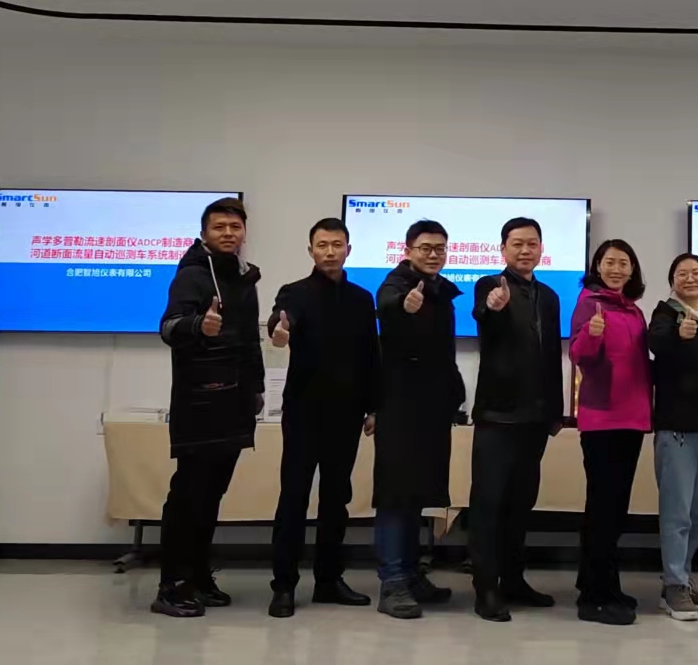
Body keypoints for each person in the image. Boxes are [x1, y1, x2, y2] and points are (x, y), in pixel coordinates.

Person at [152, 197, 264, 618]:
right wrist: (199, 324)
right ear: (204, 233)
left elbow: (250, 341)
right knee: (188, 496)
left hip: (235, 402)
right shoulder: (192, 275)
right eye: (220, 227)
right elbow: (168, 327)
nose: (229, 233)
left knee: (212, 494)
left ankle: (198, 576)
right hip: (199, 403)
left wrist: (257, 388)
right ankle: (171, 585)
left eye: (235, 226)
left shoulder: (242, 276)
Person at [264, 217, 380, 619]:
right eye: (322, 245)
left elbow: (371, 354)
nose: (330, 252)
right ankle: (283, 586)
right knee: (293, 498)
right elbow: (281, 318)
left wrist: (374, 405)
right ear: (311, 250)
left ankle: (329, 580)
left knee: (337, 500)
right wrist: (279, 331)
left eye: (337, 244)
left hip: (347, 414)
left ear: (348, 249)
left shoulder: (362, 299)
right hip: (303, 412)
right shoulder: (295, 292)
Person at [468, 216, 564, 622]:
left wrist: (556, 411)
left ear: (541, 248)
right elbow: (484, 317)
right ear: (503, 248)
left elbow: (552, 357)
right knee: (489, 503)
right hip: (498, 415)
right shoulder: (490, 285)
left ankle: (513, 580)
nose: (526, 250)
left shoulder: (550, 296)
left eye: (532, 243)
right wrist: (492, 307)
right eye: (517, 243)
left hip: (535, 418)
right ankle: (485, 589)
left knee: (521, 504)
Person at [373, 219, 465, 620]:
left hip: (431, 407)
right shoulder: (396, 285)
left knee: (416, 495)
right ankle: (392, 582)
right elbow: (388, 305)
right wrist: (404, 307)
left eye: (440, 248)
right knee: (396, 494)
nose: (433, 254)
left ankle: (410, 574)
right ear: (408, 250)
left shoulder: (441, 290)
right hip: (399, 405)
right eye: (425, 248)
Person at [568, 238, 652, 625]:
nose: (616, 269)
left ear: (632, 270)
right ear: (598, 267)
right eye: (609, 262)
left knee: (616, 509)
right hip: (602, 418)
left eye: (623, 263)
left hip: (632, 418)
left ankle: (603, 583)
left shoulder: (633, 309)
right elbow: (579, 356)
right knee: (602, 509)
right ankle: (593, 597)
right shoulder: (590, 303)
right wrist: (593, 333)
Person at [647, 253, 698, 621]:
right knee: (677, 512)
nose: (690, 278)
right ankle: (673, 586)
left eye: (697, 272)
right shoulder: (665, 315)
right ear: (672, 281)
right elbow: (656, 344)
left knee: (696, 512)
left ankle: (682, 577)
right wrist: (678, 336)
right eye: (682, 273)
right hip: (676, 427)